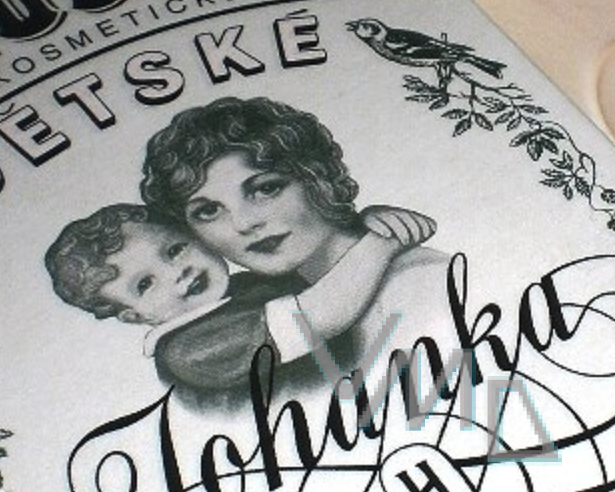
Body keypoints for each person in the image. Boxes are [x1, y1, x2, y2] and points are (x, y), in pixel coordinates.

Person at [139, 96, 452, 376]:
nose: (244, 223)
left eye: (266, 188)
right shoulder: (252, 301)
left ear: (316, 179)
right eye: (208, 211)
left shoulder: (417, 281)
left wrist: (381, 239)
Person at [44, 201, 436, 392]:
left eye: (175, 250)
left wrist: (359, 229)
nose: (178, 273)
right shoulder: (190, 347)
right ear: (135, 316)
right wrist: (379, 243)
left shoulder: (247, 287)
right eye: (145, 284)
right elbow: (320, 315)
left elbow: (338, 275)